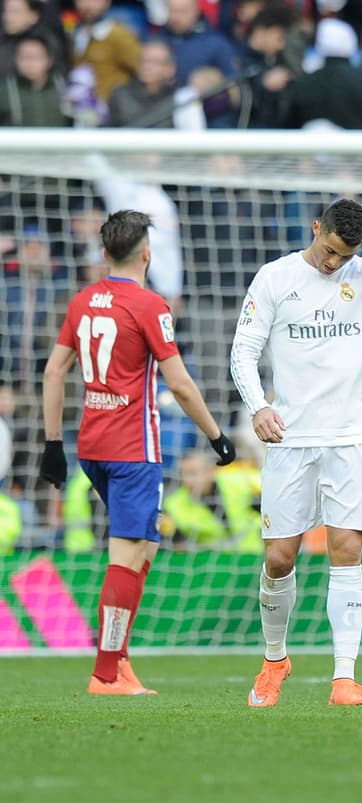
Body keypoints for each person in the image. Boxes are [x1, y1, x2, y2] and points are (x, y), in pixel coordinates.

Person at [229, 198, 362, 707]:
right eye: (329, 250)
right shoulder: (275, 277)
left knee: (347, 551)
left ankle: (344, 677)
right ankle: (275, 659)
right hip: (291, 438)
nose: (333, 262)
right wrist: (258, 407)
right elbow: (243, 351)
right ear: (315, 228)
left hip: (351, 438)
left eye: (345, 255)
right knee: (280, 557)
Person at [39, 209, 236, 696]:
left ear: (105, 252)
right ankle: (106, 673)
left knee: (144, 547)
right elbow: (180, 384)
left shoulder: (83, 300)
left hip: (92, 444)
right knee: (127, 557)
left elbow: (53, 371)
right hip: (133, 449)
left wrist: (51, 444)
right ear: (146, 253)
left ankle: (120, 659)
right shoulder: (149, 305)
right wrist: (216, 436)